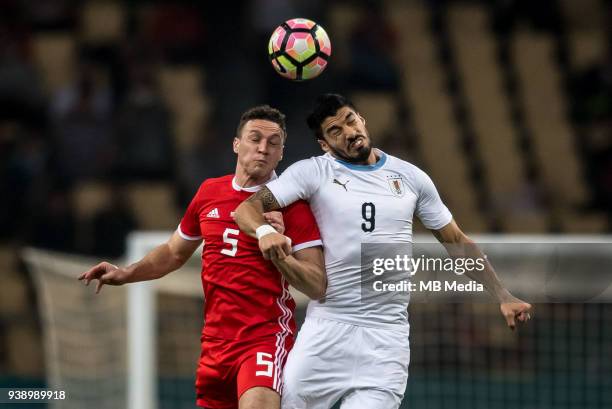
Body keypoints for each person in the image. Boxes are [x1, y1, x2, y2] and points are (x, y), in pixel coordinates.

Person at [233, 94, 532, 409]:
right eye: (335, 131)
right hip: (328, 331)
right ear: (324, 144)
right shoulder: (312, 172)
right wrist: (264, 231)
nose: (348, 132)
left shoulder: (411, 177)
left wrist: (502, 295)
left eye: (350, 120)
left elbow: (456, 241)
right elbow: (246, 210)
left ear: (362, 118)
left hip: (385, 340)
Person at [78, 105, 326, 409]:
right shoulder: (210, 192)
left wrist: (279, 254)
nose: (263, 148)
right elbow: (173, 252)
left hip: (264, 337)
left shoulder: (293, 205)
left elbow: (317, 284)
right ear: (237, 144)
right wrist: (126, 273)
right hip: (215, 345)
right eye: (255, 138)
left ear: (281, 153)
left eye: (273, 143)